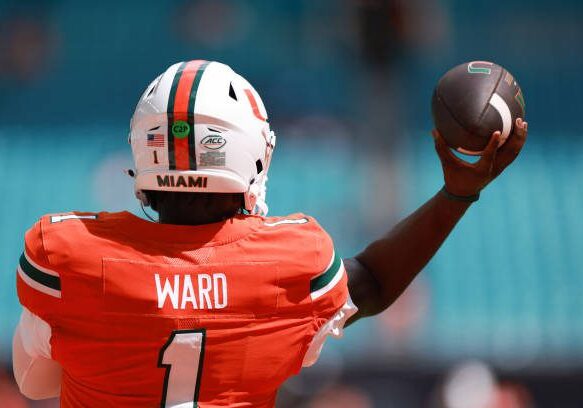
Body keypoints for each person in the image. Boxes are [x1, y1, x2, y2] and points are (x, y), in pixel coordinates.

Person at [12, 60, 527, 407]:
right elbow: (369, 281)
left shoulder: (68, 256)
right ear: (250, 155)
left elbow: (34, 381)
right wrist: (457, 195)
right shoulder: (288, 265)